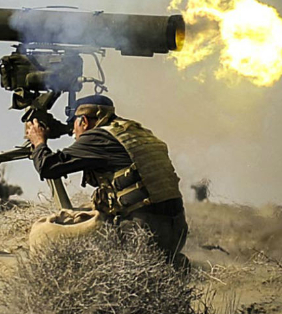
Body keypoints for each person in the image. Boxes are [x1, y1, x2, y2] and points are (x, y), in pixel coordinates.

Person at [25, 95, 188, 267]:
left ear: (84, 122)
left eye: (74, 125)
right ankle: (169, 259)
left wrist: (38, 141)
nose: (74, 133)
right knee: (89, 208)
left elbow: (48, 167)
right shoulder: (136, 133)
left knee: (43, 233)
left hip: (141, 236)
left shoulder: (98, 137)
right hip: (176, 233)